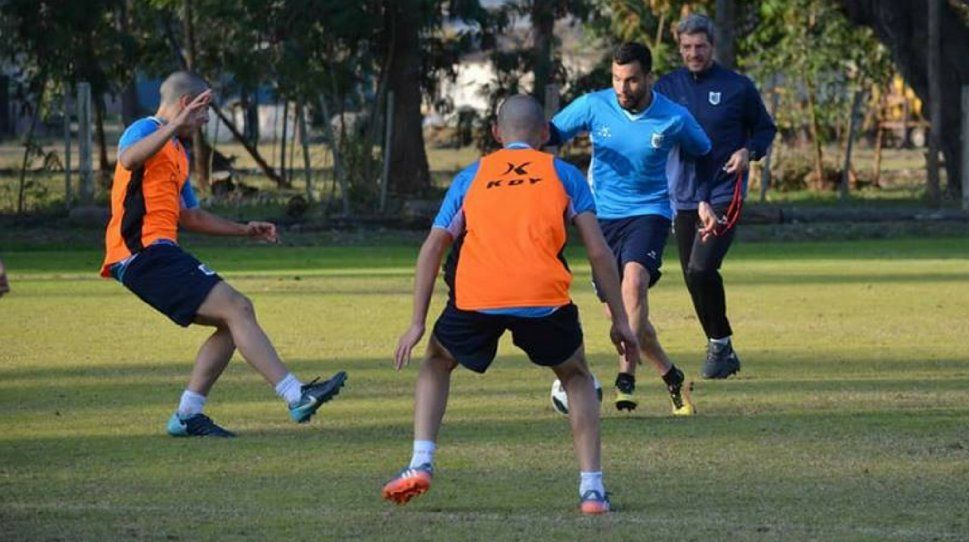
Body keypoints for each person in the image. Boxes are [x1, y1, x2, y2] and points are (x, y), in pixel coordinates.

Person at [382, 95, 638, 515]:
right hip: (542, 297)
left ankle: (420, 463)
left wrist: (416, 322)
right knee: (575, 376)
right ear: (543, 135)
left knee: (436, 361)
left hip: (478, 297)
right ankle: (592, 490)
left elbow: (433, 247)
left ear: (497, 134)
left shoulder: (471, 176)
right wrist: (621, 320)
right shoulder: (566, 175)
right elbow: (598, 252)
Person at [101, 71, 346, 437]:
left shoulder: (178, 153)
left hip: (160, 251)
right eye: (203, 111)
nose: (205, 121)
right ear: (186, 104)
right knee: (239, 308)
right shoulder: (144, 129)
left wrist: (244, 229)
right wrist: (175, 124)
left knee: (234, 321)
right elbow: (128, 159)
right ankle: (297, 395)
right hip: (140, 253)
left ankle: (187, 415)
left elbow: (191, 216)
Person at [549, 42, 710, 415]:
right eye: (617, 79)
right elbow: (549, 134)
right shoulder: (593, 105)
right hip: (600, 219)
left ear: (649, 77)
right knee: (624, 317)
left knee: (634, 284)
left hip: (650, 213)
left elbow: (703, 152)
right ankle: (671, 377)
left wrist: (703, 198)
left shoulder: (674, 117)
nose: (623, 88)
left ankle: (626, 376)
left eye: (632, 80)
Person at [655, 14, 777, 379]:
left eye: (701, 47)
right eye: (688, 47)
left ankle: (719, 345)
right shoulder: (666, 87)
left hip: (725, 188)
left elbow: (765, 129)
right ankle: (720, 345)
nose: (694, 53)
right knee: (693, 276)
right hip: (685, 194)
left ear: (712, 46)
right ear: (679, 47)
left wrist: (748, 152)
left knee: (701, 267)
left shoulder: (737, 87)